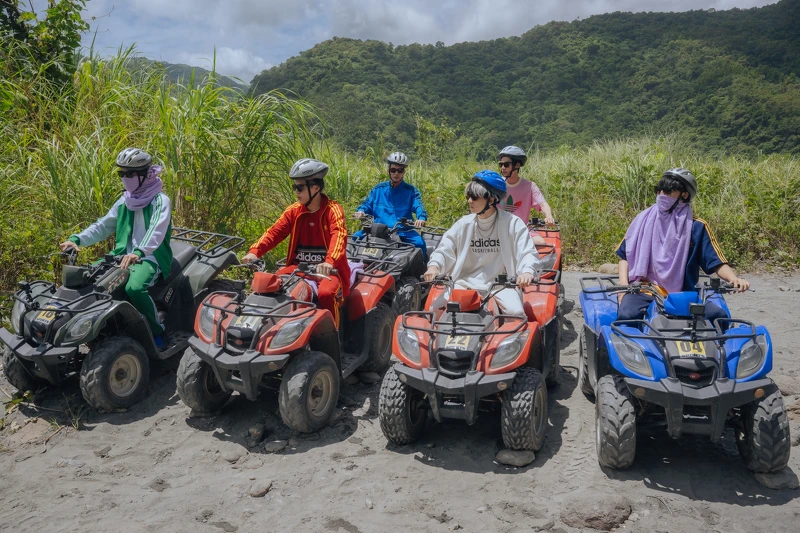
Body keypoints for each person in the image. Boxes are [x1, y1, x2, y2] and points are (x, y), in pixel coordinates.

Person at [60, 148, 173, 346]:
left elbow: (156, 230)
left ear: (145, 174)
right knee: (87, 278)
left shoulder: (160, 200)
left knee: (135, 288)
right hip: (121, 255)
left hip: (150, 256)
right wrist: (76, 239)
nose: (125, 177)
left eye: (129, 173)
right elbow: (102, 226)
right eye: (121, 173)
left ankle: (157, 331)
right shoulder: (125, 201)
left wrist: (139, 252)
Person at [616, 167, 750, 322]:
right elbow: (624, 255)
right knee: (627, 317)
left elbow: (716, 262)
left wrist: (734, 279)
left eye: (667, 191)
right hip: (644, 290)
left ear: (684, 195)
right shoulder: (642, 220)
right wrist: (623, 288)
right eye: (659, 190)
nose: (661, 195)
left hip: (683, 294)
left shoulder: (697, 227)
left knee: (719, 317)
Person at [242, 158, 351, 328]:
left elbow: (339, 235)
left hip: (330, 271)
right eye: (295, 187)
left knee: (326, 294)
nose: (296, 191)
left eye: (299, 187)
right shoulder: (294, 211)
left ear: (315, 188)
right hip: (299, 268)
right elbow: (274, 232)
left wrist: (329, 262)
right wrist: (255, 251)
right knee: (272, 285)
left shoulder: (333, 210)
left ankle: (332, 338)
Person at [422, 170, 540, 315]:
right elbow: (445, 249)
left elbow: (527, 251)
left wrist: (527, 272)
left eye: (474, 197)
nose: (469, 201)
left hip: (501, 286)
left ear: (491, 200)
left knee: (516, 313)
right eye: (468, 196)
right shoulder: (463, 224)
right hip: (463, 284)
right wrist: (434, 266)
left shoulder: (513, 223)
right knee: (433, 311)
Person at [353, 152, 428, 260]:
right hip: (377, 231)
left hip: (402, 231)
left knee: (420, 244)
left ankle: (424, 272)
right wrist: (360, 211)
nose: (396, 173)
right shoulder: (378, 190)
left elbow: (419, 207)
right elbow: (366, 205)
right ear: (389, 170)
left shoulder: (410, 191)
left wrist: (421, 218)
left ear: (404, 172)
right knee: (354, 239)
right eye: (393, 170)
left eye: (400, 170)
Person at [497, 146, 555, 246]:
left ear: (517, 165)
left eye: (506, 165)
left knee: (540, 242)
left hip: (522, 228)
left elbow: (543, 204)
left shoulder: (529, 186)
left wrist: (549, 216)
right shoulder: (496, 183)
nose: (503, 168)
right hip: (499, 228)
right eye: (501, 164)